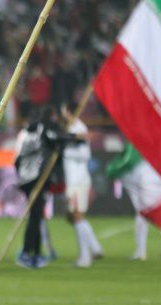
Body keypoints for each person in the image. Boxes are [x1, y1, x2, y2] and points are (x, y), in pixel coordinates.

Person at [14, 107, 67, 269]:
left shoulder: (23, 134)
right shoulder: (39, 132)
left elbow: (16, 160)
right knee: (35, 216)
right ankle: (29, 252)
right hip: (36, 178)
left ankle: (34, 252)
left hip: (27, 179)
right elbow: (56, 138)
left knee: (36, 216)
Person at [61, 103, 102, 268]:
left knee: (77, 216)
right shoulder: (70, 129)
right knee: (73, 217)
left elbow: (85, 154)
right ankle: (94, 247)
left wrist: (64, 151)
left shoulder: (78, 128)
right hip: (73, 180)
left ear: (69, 112)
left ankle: (86, 257)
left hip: (78, 180)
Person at [107, 144, 161, 260]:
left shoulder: (141, 138)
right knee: (142, 213)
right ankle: (141, 250)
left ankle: (141, 251)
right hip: (148, 176)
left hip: (150, 177)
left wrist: (112, 169)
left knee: (155, 212)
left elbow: (128, 159)